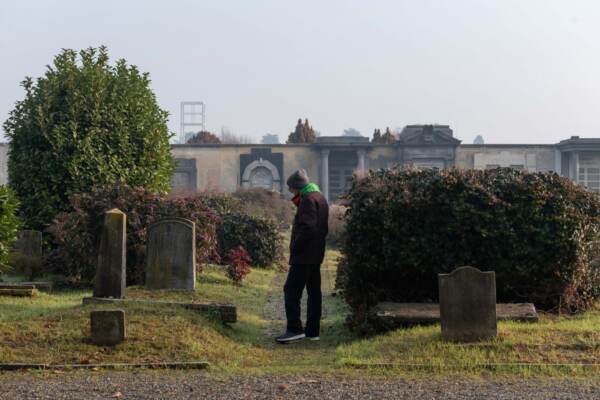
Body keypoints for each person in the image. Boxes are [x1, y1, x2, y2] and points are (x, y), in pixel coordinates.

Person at [276, 169, 329, 343]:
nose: (292, 193)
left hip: (304, 255)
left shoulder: (307, 200)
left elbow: (308, 227)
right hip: (316, 253)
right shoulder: (320, 197)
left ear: (297, 187)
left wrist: (295, 246)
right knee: (314, 292)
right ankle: (313, 331)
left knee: (291, 290)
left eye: (292, 189)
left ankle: (294, 329)